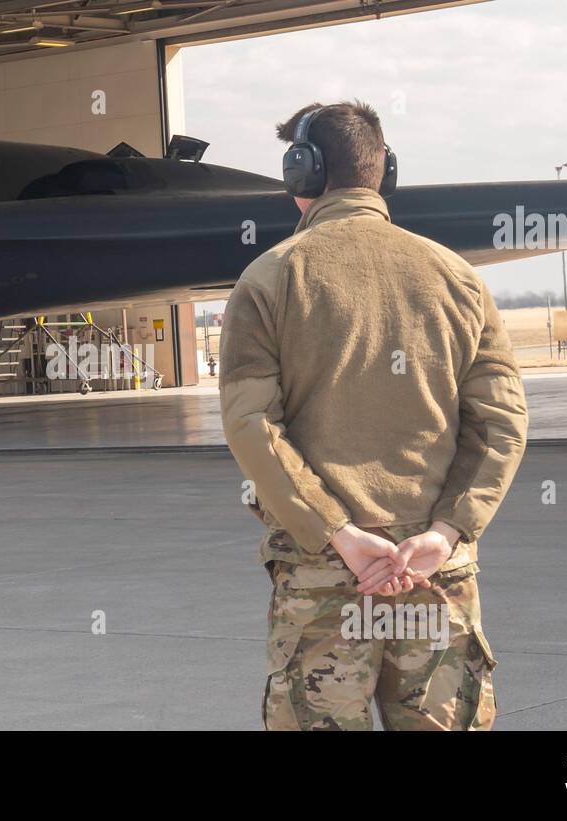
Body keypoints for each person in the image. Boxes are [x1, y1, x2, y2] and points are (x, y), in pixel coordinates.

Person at [218, 100, 528, 730]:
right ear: (384, 172)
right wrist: (444, 533)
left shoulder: (269, 280)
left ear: (301, 175)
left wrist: (339, 534)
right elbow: (501, 422)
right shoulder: (458, 277)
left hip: (325, 579)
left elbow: (253, 425)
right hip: (434, 570)